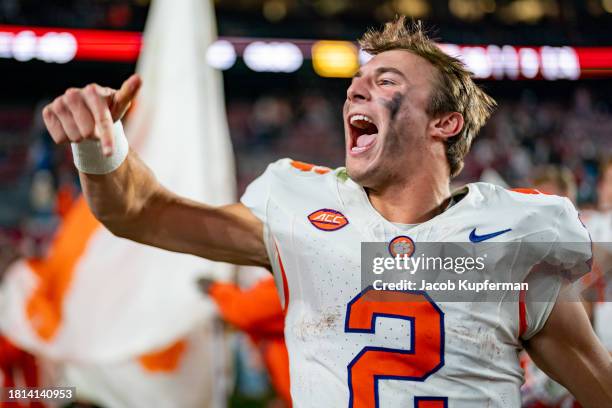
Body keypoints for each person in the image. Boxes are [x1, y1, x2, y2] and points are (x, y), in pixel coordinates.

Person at [41, 17, 611, 408]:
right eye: (355, 84)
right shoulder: (300, 208)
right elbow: (139, 211)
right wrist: (101, 147)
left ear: (445, 123)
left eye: (384, 82)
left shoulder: (514, 238)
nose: (356, 92)